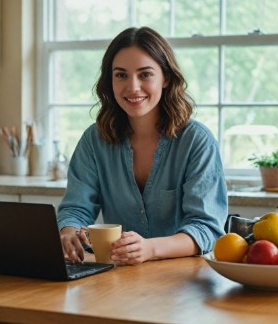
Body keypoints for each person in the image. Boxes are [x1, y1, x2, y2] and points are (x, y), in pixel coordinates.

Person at [57, 26, 227, 266]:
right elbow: (76, 208)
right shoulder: (94, 141)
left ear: (166, 78)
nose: (133, 87)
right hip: (118, 280)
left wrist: (150, 248)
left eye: (145, 74)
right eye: (121, 75)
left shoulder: (196, 141)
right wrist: (68, 231)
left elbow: (207, 229)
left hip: (182, 283)